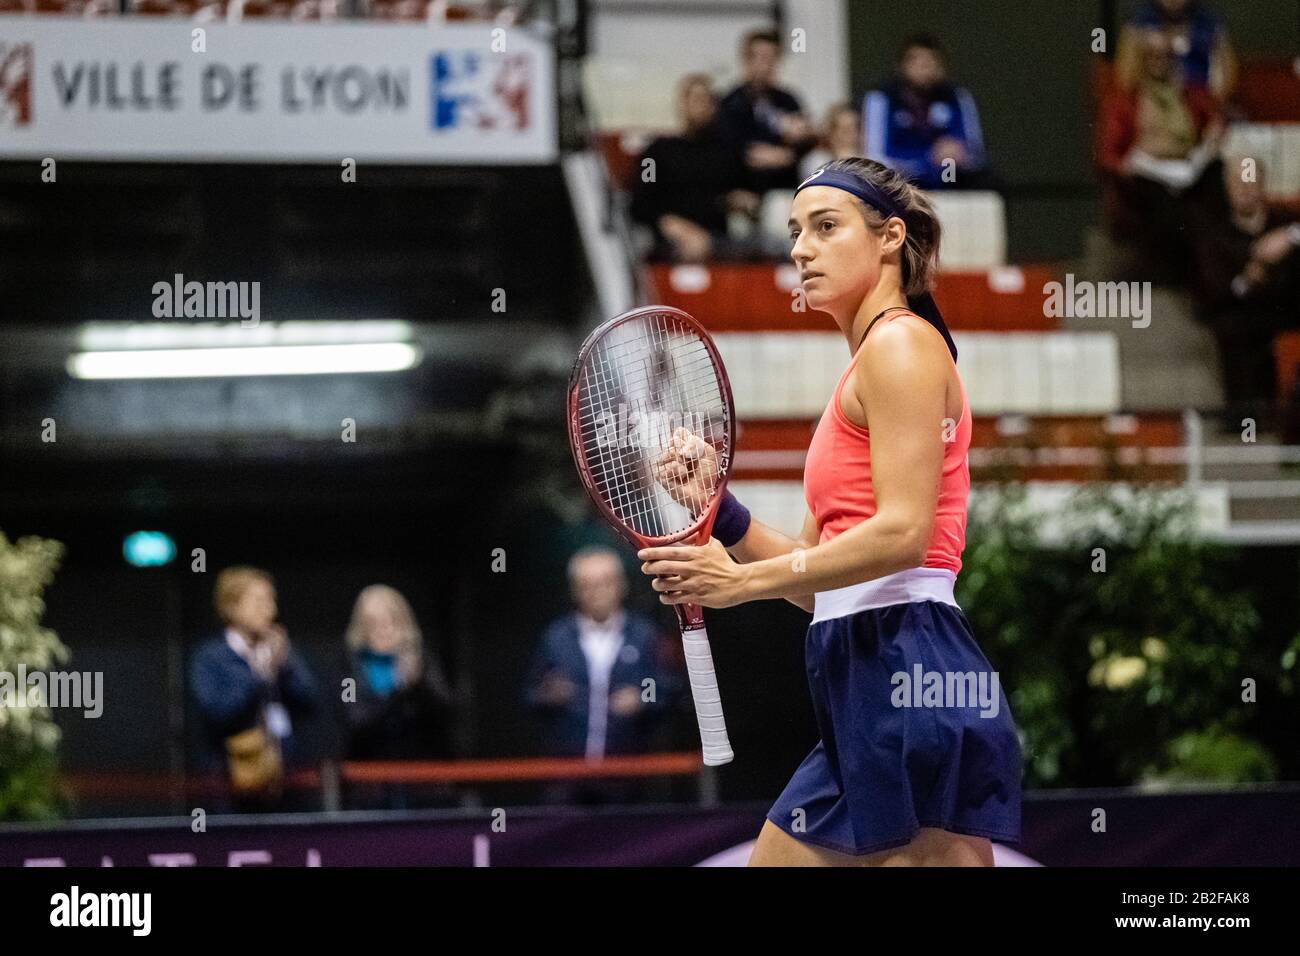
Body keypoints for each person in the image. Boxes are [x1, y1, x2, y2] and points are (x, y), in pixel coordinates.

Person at [639, 157, 1022, 866]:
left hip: (905, 661)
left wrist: (740, 584)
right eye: (793, 232)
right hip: (873, 664)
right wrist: (718, 513)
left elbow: (905, 535)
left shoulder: (901, 344)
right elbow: (820, 586)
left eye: (824, 226)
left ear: (888, 237)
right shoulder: (870, 361)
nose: (800, 249)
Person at [525, 546, 678, 802]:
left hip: (631, 776)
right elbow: (529, 695)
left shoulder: (644, 636)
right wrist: (549, 694)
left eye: (605, 583)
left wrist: (642, 698)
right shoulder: (556, 638)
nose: (597, 592)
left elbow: (671, 691)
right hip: (566, 777)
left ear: (621, 585)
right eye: (587, 585)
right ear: (575, 590)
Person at [1097, 27, 1225, 277]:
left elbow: (1214, 118)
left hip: (1187, 169)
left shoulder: (1188, 93)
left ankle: (1211, 269)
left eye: (1166, 56)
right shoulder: (1125, 99)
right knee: (1167, 205)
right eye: (1153, 56)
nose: (1160, 62)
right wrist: (1126, 166)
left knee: (1216, 176)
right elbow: (1108, 153)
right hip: (1146, 175)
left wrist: (1214, 131)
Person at [191, 566, 320, 810]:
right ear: (232, 606)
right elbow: (218, 714)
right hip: (232, 786)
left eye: (271, 600)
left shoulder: (282, 653)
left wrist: (284, 669)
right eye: (259, 601)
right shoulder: (210, 658)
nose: (270, 610)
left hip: (285, 784)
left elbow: (311, 703)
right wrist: (259, 677)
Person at [1191, 159, 1300, 425]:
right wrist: (1247, 279)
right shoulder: (1216, 233)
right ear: (1227, 189)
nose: (1244, 190)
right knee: (1235, 332)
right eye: (1238, 184)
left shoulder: (1284, 222)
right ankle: (1246, 420)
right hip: (1241, 311)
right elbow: (1215, 290)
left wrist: (1288, 238)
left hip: (1287, 306)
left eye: (1250, 183)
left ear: (1262, 186)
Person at [629, 74, 757, 262]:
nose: (702, 106)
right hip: (671, 239)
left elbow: (747, 193)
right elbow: (640, 204)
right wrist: (672, 226)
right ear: (683, 103)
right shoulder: (655, 154)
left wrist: (745, 202)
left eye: (708, 100)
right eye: (696, 99)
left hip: (720, 239)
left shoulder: (728, 153)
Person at [863, 34, 992, 191]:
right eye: (917, 61)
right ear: (901, 66)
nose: (925, 68)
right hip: (902, 183)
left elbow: (974, 150)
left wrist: (957, 154)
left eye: (931, 61)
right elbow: (876, 157)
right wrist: (928, 160)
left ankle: (949, 202)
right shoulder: (881, 99)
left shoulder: (956, 97)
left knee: (972, 176)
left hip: (947, 175)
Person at [716, 28, 818, 195]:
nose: (767, 65)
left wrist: (793, 149)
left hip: (785, 189)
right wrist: (753, 153)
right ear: (747, 60)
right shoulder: (730, 103)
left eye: (773, 58)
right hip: (744, 190)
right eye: (762, 57)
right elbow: (727, 148)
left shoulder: (788, 101)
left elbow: (807, 142)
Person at [1117, 0, 1237, 102]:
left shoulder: (1211, 26)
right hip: (1153, 108)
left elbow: (1225, 89)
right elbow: (1126, 82)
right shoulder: (1138, 24)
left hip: (1201, 107)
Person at [799, 103, 864, 180]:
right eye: (845, 130)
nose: (852, 134)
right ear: (831, 132)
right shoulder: (817, 160)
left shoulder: (873, 159)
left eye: (856, 128)